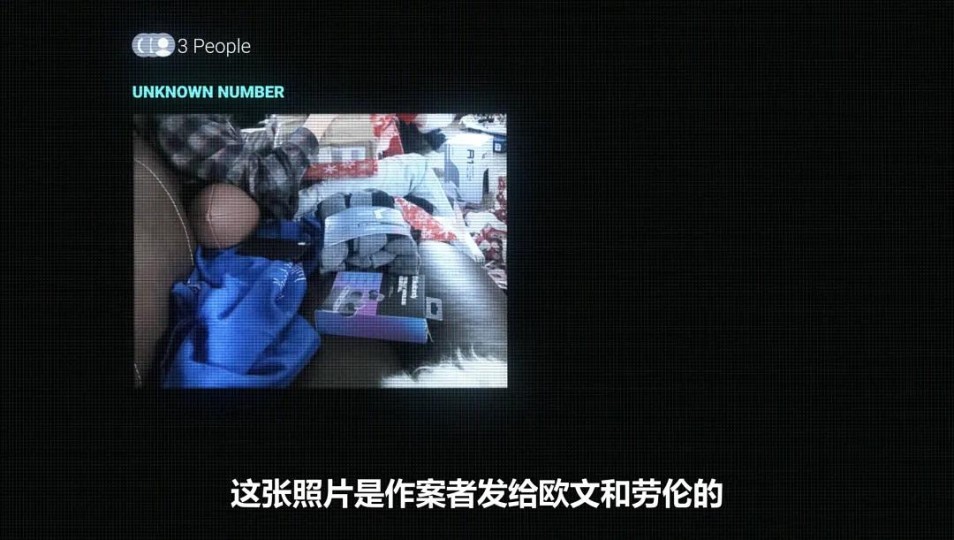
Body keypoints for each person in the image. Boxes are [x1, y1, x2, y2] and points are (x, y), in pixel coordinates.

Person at [134, 113, 338, 219]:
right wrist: (318, 123)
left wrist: (278, 135)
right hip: (274, 213)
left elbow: (235, 149)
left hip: (278, 200)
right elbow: (267, 182)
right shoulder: (179, 120)